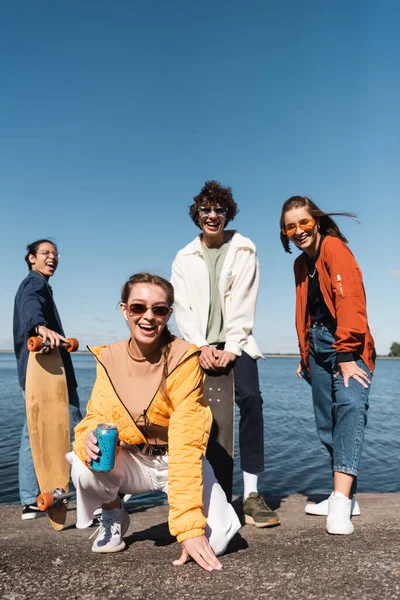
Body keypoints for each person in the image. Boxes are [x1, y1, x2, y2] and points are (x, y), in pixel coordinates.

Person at [68, 273, 241, 571]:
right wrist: (88, 435)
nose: (148, 317)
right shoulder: (109, 358)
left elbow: (187, 442)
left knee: (218, 541)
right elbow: (97, 414)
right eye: (138, 308)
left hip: (176, 459)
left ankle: (202, 522)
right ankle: (112, 513)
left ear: (168, 314)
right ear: (124, 310)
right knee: (84, 465)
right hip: (134, 460)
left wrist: (189, 528)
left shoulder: (184, 358)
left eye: (159, 310)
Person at [171, 180, 279, 528]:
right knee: (196, 414)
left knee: (251, 401)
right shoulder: (184, 257)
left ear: (228, 213)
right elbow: (182, 307)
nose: (212, 215)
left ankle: (250, 495)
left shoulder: (244, 248)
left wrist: (231, 348)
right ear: (197, 214)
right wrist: (200, 346)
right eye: (206, 209)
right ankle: (209, 492)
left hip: (239, 341)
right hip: (197, 345)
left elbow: (246, 302)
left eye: (219, 209)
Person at [280, 196, 376, 535]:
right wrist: (304, 353)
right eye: (291, 226)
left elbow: (351, 300)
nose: (298, 230)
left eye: (304, 222)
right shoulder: (299, 265)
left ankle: (339, 501)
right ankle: (347, 496)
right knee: (327, 424)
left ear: (316, 221)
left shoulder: (334, 248)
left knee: (350, 408)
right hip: (317, 349)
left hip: (345, 346)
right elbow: (306, 312)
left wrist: (347, 354)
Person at [13, 239, 82, 520]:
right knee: (81, 426)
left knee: (33, 434)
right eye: (45, 253)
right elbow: (32, 307)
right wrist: (40, 326)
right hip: (50, 373)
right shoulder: (34, 283)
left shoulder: (35, 284)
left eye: (55, 254)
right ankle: (105, 491)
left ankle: (31, 501)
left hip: (31, 373)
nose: (52, 257)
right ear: (32, 258)